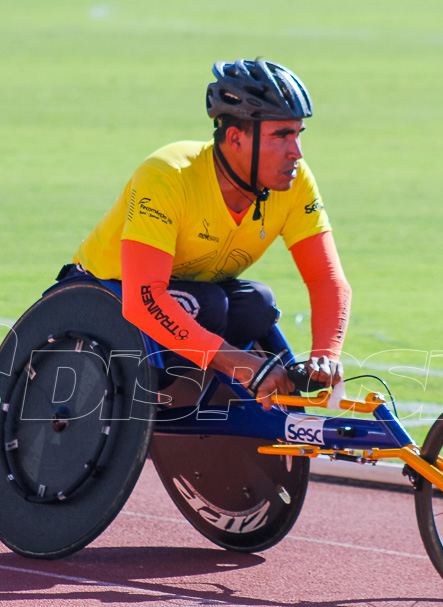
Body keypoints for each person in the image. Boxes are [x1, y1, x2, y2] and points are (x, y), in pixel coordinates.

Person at [66, 59, 352, 406]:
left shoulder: (295, 181)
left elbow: (326, 279)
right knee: (210, 306)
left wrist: (326, 355)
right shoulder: (168, 174)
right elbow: (145, 299)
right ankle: (168, 390)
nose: (296, 152)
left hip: (192, 296)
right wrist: (240, 363)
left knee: (256, 305)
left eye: (297, 134)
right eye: (281, 136)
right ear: (235, 138)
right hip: (103, 295)